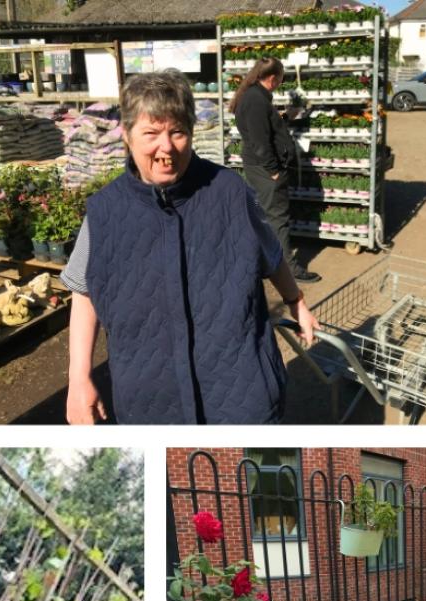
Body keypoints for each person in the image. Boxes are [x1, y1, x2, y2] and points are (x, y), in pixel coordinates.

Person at [61, 70, 320, 425]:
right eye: (151, 133)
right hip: (149, 402)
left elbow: (271, 256)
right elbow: (84, 290)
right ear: (127, 136)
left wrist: (296, 301)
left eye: (177, 132)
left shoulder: (229, 192)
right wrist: (79, 379)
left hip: (240, 392)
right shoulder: (105, 211)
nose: (166, 147)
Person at [231, 57, 320, 284]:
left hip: (261, 167)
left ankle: (262, 262)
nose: (280, 83)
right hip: (265, 169)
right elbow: (260, 141)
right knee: (277, 218)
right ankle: (287, 270)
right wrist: (273, 170)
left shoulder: (254, 96)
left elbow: (263, 127)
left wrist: (284, 117)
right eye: (280, 79)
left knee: (265, 216)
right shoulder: (255, 100)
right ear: (272, 78)